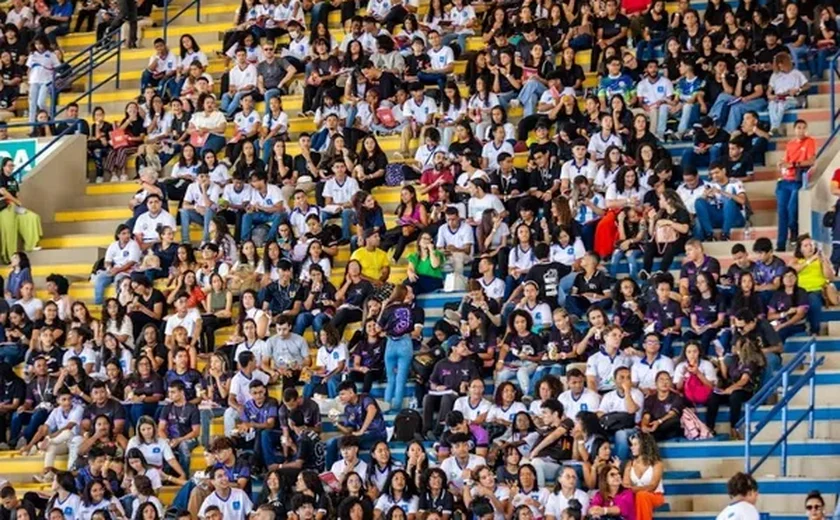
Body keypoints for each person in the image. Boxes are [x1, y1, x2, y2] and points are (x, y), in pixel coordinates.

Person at [325, 381, 387, 469]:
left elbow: (372, 410)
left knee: (347, 444)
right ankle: (331, 473)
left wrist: (362, 430)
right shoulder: (348, 408)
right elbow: (349, 431)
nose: (340, 397)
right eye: (339, 395)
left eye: (343, 394)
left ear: (351, 392)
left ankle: (348, 470)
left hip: (377, 434)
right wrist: (336, 423)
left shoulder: (365, 398)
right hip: (361, 437)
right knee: (333, 443)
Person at [776, 119, 816, 251]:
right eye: (799, 127)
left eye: (804, 127)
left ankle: (793, 231)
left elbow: (811, 160)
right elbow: (785, 160)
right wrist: (781, 163)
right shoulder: (790, 144)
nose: (801, 130)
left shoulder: (809, 141)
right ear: (794, 129)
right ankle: (780, 244)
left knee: (792, 209)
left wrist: (793, 164)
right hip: (785, 180)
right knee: (782, 213)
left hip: (797, 180)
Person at [157, 380, 200, 474]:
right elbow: (160, 429)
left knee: (183, 446)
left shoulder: (192, 408)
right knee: (161, 445)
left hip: (188, 439)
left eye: (173, 392)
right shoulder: (167, 408)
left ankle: (184, 476)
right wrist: (166, 440)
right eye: (169, 392)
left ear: (182, 392)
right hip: (171, 439)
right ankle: (165, 477)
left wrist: (180, 440)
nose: (170, 395)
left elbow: (196, 431)